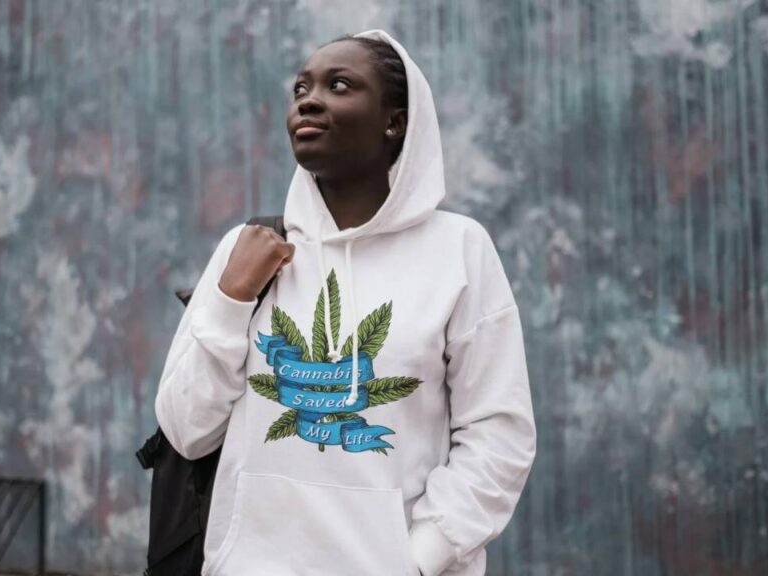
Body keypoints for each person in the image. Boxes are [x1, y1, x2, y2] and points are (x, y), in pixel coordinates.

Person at [154, 28, 536, 576]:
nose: (308, 99)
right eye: (301, 88)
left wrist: (420, 558)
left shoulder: (459, 250)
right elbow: (186, 431)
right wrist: (229, 299)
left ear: (394, 122)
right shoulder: (250, 250)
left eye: (339, 85)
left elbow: (499, 434)